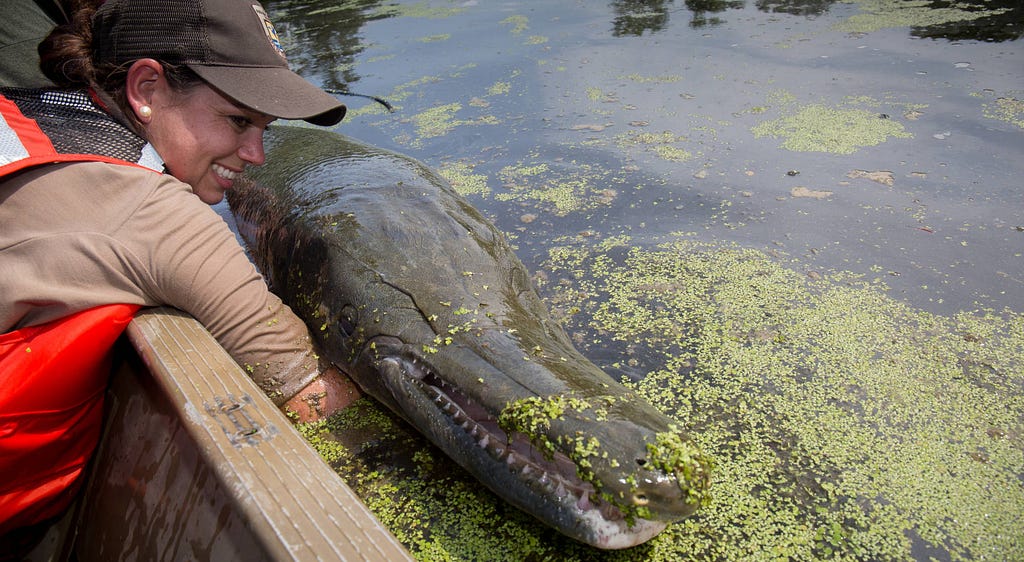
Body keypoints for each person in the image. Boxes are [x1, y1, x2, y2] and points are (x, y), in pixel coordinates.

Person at [0, 0, 362, 540]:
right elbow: (310, 395)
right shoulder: (156, 217)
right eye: (238, 120)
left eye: (265, 127)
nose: (256, 154)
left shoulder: (26, 112)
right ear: (146, 89)